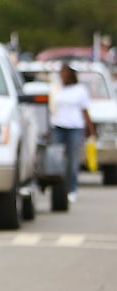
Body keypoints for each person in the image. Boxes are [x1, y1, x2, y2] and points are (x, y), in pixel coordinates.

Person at [50, 65, 94, 205]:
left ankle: (72, 188)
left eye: (64, 73)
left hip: (75, 127)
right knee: (58, 160)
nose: (62, 76)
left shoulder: (80, 90)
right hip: (58, 126)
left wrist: (90, 129)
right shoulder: (58, 89)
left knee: (72, 160)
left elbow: (85, 110)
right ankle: (59, 189)